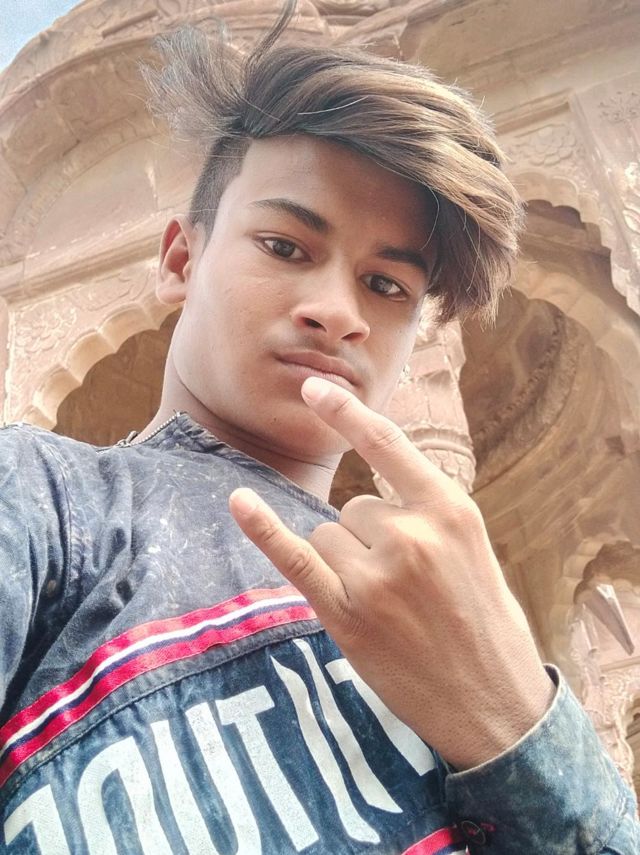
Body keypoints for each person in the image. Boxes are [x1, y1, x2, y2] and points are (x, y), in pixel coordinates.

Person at [0, 4, 637, 853]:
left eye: (387, 285)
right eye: (286, 247)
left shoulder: (446, 610)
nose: (338, 311)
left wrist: (516, 720)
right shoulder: (45, 498)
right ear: (181, 260)